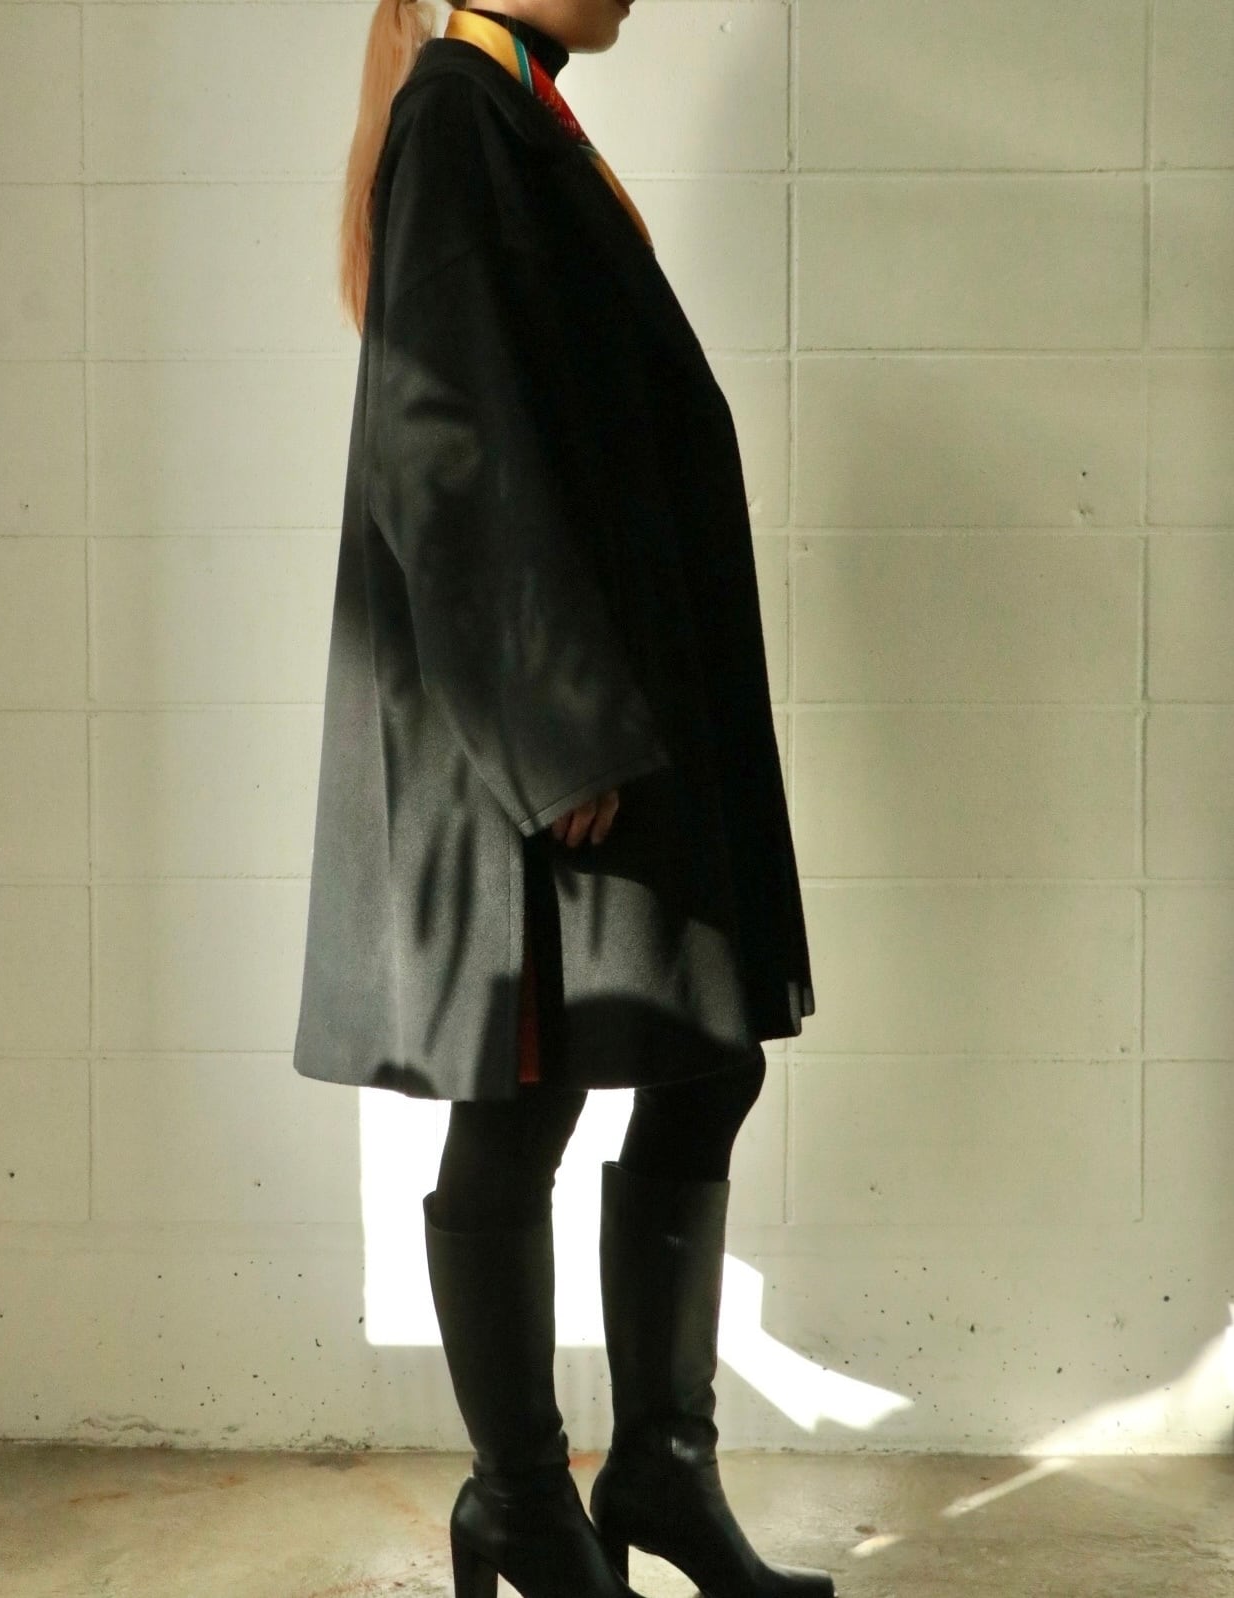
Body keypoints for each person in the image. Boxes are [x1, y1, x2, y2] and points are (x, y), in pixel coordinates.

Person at [292, 2, 830, 1594]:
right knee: (525, 1099)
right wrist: (552, 734)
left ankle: (655, 1468)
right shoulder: (461, 114)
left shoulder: (507, 105)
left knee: (700, 1055)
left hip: (613, 704)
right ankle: (522, 1498)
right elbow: (438, 448)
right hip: (551, 732)